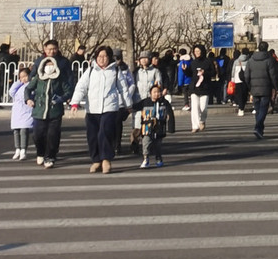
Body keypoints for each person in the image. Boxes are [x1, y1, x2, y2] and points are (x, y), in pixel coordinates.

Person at [70, 45, 134, 174]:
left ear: (109, 58)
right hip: (92, 108)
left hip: (109, 107)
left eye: (105, 56)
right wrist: (75, 103)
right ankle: (96, 160)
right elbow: (81, 86)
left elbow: (123, 88)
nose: (102, 59)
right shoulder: (91, 70)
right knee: (92, 136)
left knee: (105, 133)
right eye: (99, 56)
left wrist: (128, 105)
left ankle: (106, 160)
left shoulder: (115, 70)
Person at [25, 52, 72, 168]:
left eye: (51, 65)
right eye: (47, 65)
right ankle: (40, 152)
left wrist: (61, 99)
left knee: (52, 135)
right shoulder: (38, 78)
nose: (49, 67)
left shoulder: (60, 78)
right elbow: (28, 89)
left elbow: (68, 91)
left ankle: (50, 156)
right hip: (39, 111)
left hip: (54, 111)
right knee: (37, 135)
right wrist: (28, 99)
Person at [133, 83, 176, 168]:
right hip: (147, 127)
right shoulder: (145, 102)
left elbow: (170, 114)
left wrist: (171, 128)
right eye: (154, 92)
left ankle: (158, 158)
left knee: (158, 144)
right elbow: (134, 107)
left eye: (158, 92)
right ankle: (146, 159)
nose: (157, 94)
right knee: (146, 142)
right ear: (150, 93)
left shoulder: (164, 102)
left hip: (159, 127)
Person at [245, 40, 278, 138]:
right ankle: (258, 127)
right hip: (266, 88)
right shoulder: (269, 60)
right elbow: (273, 75)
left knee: (257, 109)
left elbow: (246, 75)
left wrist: (249, 86)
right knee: (263, 109)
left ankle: (259, 130)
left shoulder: (251, 60)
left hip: (254, 88)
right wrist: (276, 87)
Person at [188, 44, 215, 133]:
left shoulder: (208, 62)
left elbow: (213, 73)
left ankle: (202, 120)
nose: (196, 53)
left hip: (205, 88)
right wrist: (185, 70)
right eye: (195, 51)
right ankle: (195, 126)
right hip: (194, 88)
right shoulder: (193, 62)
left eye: (198, 51)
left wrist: (205, 72)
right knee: (194, 107)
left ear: (202, 51)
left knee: (203, 108)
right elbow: (190, 74)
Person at [8, 67, 33, 160]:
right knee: (16, 131)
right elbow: (11, 92)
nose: (23, 79)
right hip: (17, 111)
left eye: (25, 76)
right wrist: (19, 82)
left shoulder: (31, 85)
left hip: (26, 110)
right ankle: (17, 149)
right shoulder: (19, 86)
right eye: (21, 77)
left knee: (24, 130)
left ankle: (23, 150)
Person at [231, 50, 250, 115]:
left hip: (237, 80)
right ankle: (242, 107)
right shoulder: (248, 61)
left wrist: (232, 79)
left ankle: (240, 108)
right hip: (245, 80)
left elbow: (233, 71)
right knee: (245, 94)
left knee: (239, 94)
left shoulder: (236, 61)